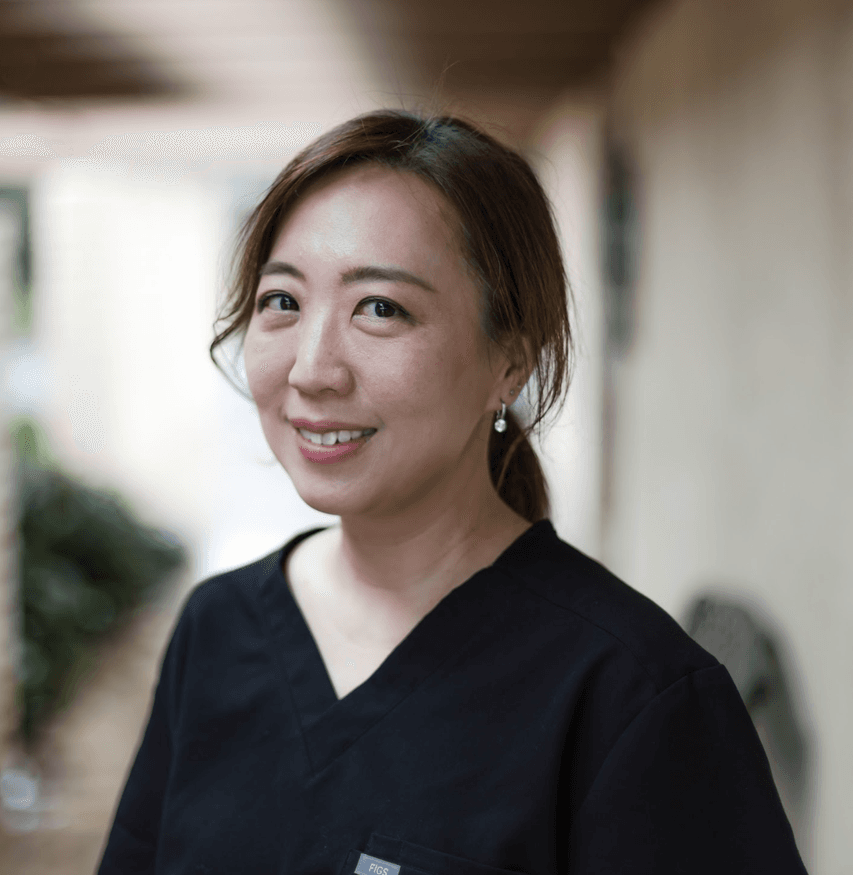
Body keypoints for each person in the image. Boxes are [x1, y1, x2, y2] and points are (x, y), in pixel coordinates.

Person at [96, 110, 809, 874]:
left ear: (510, 361)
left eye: (380, 308)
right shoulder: (217, 629)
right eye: (283, 301)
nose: (310, 369)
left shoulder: (634, 694)